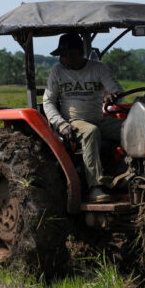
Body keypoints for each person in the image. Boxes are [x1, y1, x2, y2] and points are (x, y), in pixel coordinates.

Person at [43, 32, 123, 202]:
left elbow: (117, 91)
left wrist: (113, 96)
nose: (62, 59)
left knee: (131, 129)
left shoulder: (98, 68)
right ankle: (96, 187)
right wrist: (61, 124)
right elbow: (48, 102)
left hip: (98, 118)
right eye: (61, 55)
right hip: (74, 121)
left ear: (78, 53)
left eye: (66, 55)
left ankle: (129, 174)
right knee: (90, 132)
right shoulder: (58, 72)